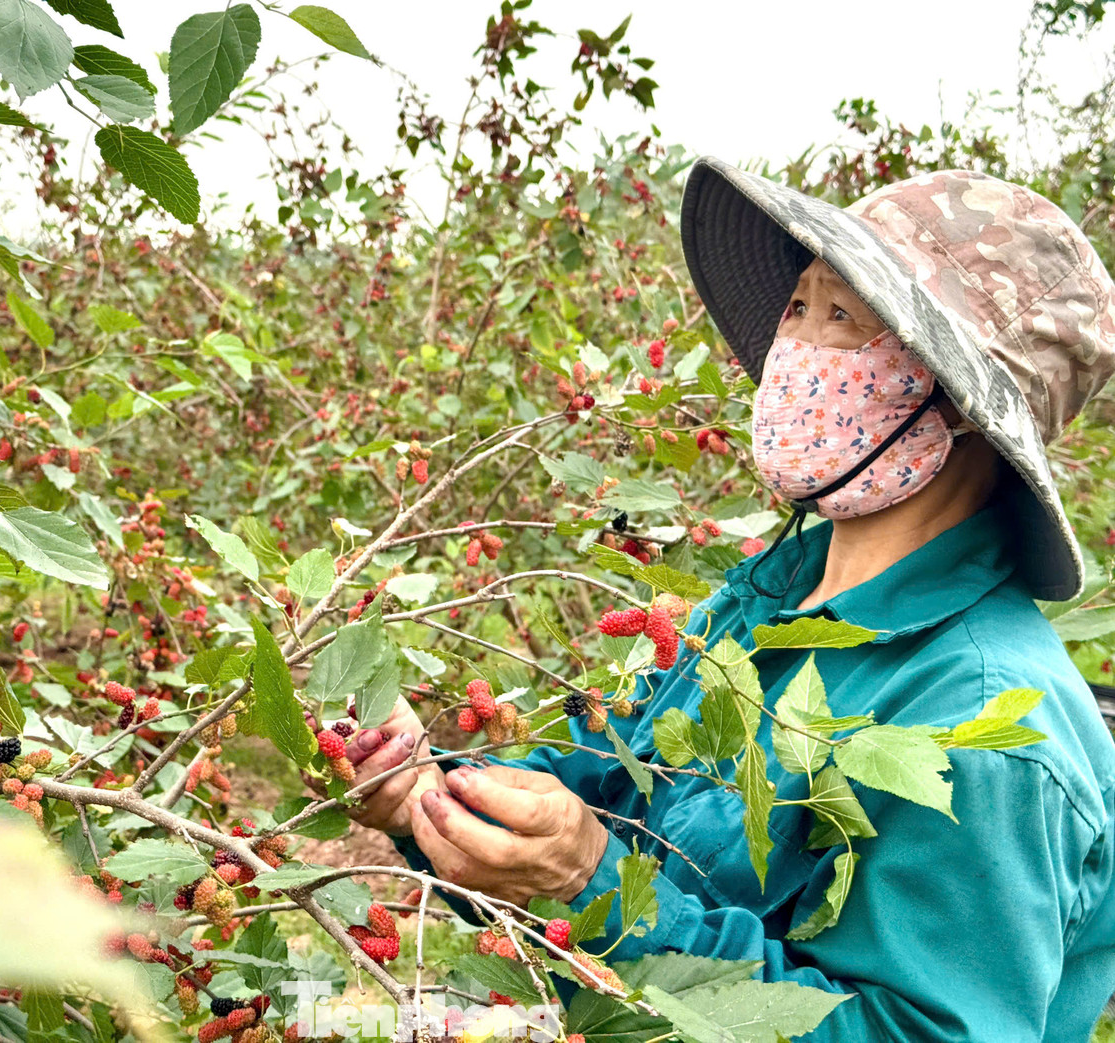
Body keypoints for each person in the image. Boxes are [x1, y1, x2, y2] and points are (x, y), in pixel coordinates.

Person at [335, 158, 1115, 1040]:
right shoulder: (760, 604)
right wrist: (430, 793)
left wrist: (591, 884)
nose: (793, 348)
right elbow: (606, 788)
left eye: (841, 316)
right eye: (797, 306)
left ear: (962, 400)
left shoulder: (986, 727)